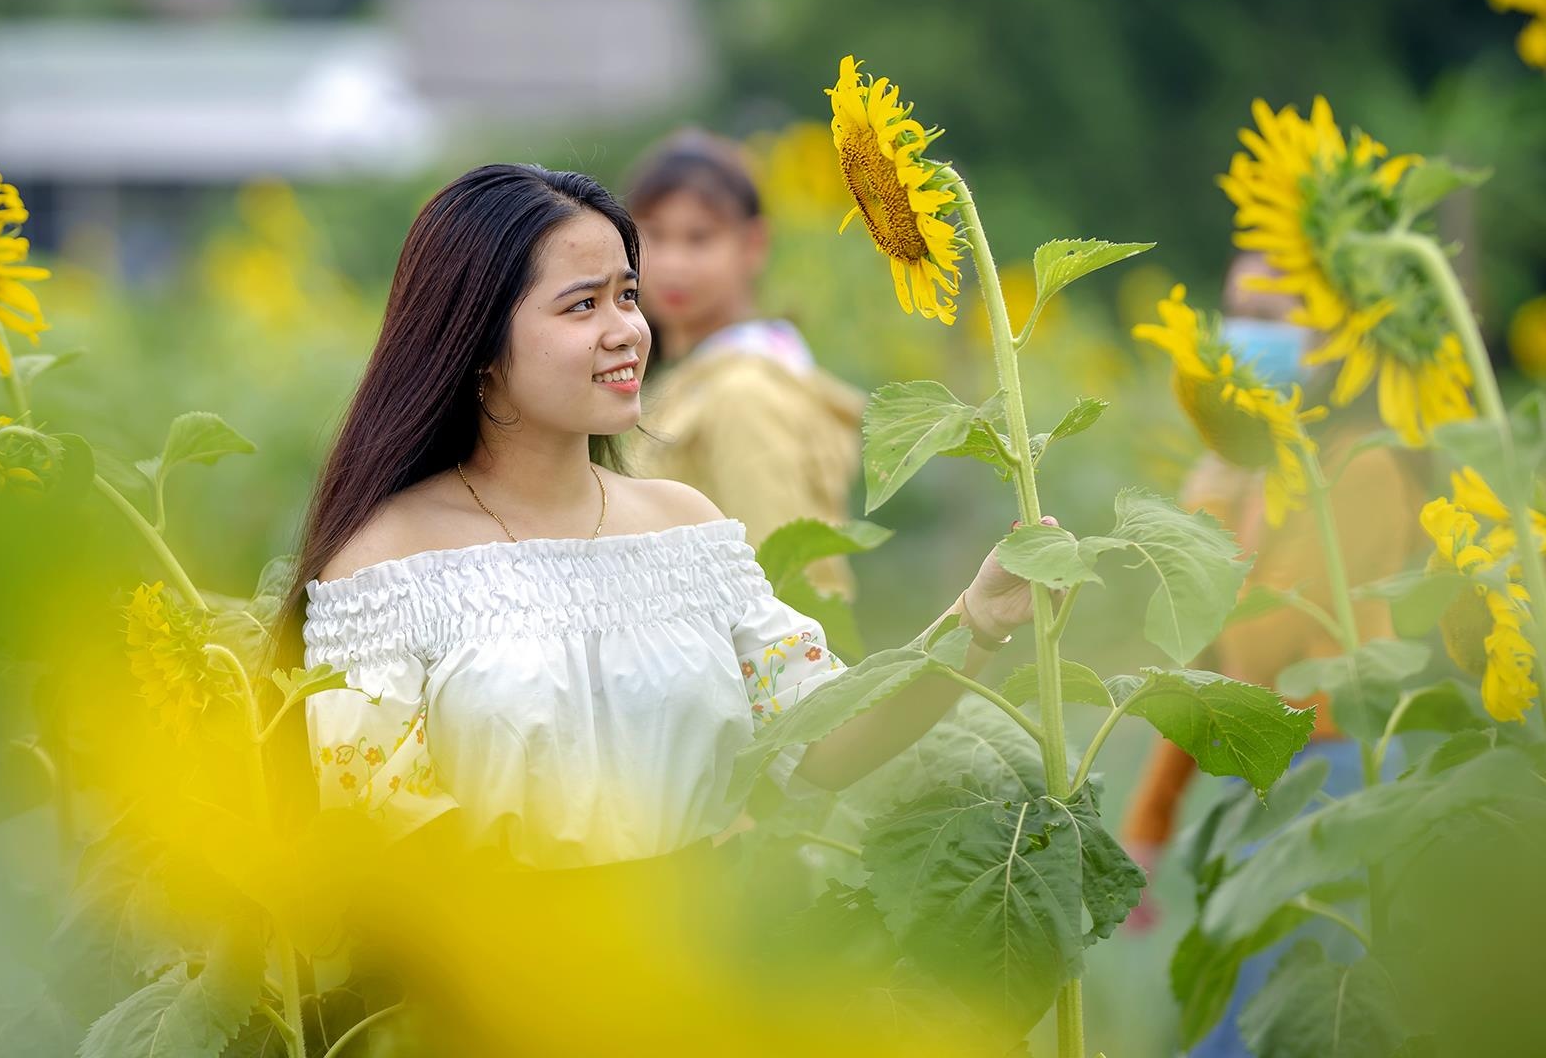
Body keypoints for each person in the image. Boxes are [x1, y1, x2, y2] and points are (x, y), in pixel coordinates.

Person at [284, 163, 1044, 872]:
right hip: (501, 998)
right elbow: (379, 842)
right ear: (478, 343)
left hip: (700, 985)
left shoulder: (684, 528)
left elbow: (824, 738)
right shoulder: (385, 561)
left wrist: (977, 620)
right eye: (582, 304)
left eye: (626, 294)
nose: (627, 329)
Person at [1120, 252, 1427, 1056]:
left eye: (1278, 313)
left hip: (1337, 770)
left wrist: (1219, 503)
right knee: (1236, 1019)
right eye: (1238, 311)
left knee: (1295, 1019)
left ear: (1336, 338)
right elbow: (1209, 669)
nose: (1252, 335)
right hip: (1258, 780)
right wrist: (1151, 819)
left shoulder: (1365, 469)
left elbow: (1269, 642)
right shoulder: (1229, 478)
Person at [622, 129, 866, 598]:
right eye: (653, 233)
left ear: (753, 244)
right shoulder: (695, 377)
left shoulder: (744, 391)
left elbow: (785, 588)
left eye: (699, 238)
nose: (672, 262)